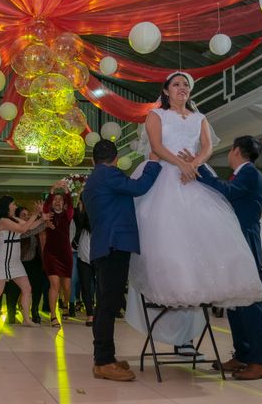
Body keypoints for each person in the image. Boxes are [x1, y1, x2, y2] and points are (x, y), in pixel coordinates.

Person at [128, 73, 262, 309]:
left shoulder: (199, 117)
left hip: (192, 174)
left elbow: (208, 146)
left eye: (186, 85)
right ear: (166, 90)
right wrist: (181, 164)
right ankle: (174, 285)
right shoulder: (156, 115)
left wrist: (194, 164)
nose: (182, 88)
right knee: (168, 232)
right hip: (165, 174)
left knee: (205, 230)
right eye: (176, 84)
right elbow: (157, 146)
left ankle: (207, 285)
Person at [185, 136, 262, 380]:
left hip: (243, 239)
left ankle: (260, 360)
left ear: (235, 151)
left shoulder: (250, 173)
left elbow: (227, 192)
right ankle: (243, 354)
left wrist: (199, 165)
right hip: (233, 240)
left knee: (249, 300)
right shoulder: (245, 173)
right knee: (234, 300)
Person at [82, 139, 161, 382]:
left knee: (106, 303)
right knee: (107, 305)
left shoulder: (94, 179)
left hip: (105, 246)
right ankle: (103, 361)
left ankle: (106, 357)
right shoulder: (108, 175)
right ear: (115, 159)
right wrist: (153, 164)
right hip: (113, 245)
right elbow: (139, 187)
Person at [0, 196, 47, 327]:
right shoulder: (3, 221)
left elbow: (30, 226)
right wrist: (35, 215)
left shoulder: (14, 219)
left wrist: (42, 218)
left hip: (15, 260)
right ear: (7, 206)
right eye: (13, 204)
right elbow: (22, 230)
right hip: (2, 260)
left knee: (27, 289)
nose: (15, 207)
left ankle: (26, 319)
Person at [4, 206, 48, 324]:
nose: (27, 217)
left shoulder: (32, 227)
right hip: (19, 261)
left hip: (35, 262)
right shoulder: (16, 228)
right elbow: (28, 232)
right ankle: (11, 312)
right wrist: (43, 223)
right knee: (14, 289)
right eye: (23, 215)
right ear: (17, 217)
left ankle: (34, 311)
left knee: (37, 287)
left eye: (28, 215)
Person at [42, 181, 74, 328]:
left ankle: (65, 305)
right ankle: (53, 315)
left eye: (60, 200)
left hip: (65, 254)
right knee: (54, 284)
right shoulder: (48, 215)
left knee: (66, 287)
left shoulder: (68, 215)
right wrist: (52, 190)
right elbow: (45, 205)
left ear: (63, 204)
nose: (57, 202)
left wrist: (66, 190)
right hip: (51, 253)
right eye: (55, 200)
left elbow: (71, 203)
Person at [74, 199, 95, 327]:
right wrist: (80, 199)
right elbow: (77, 214)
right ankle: (90, 315)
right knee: (86, 288)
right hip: (83, 259)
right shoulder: (81, 223)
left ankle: (100, 313)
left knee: (100, 288)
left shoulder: (101, 223)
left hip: (100, 259)